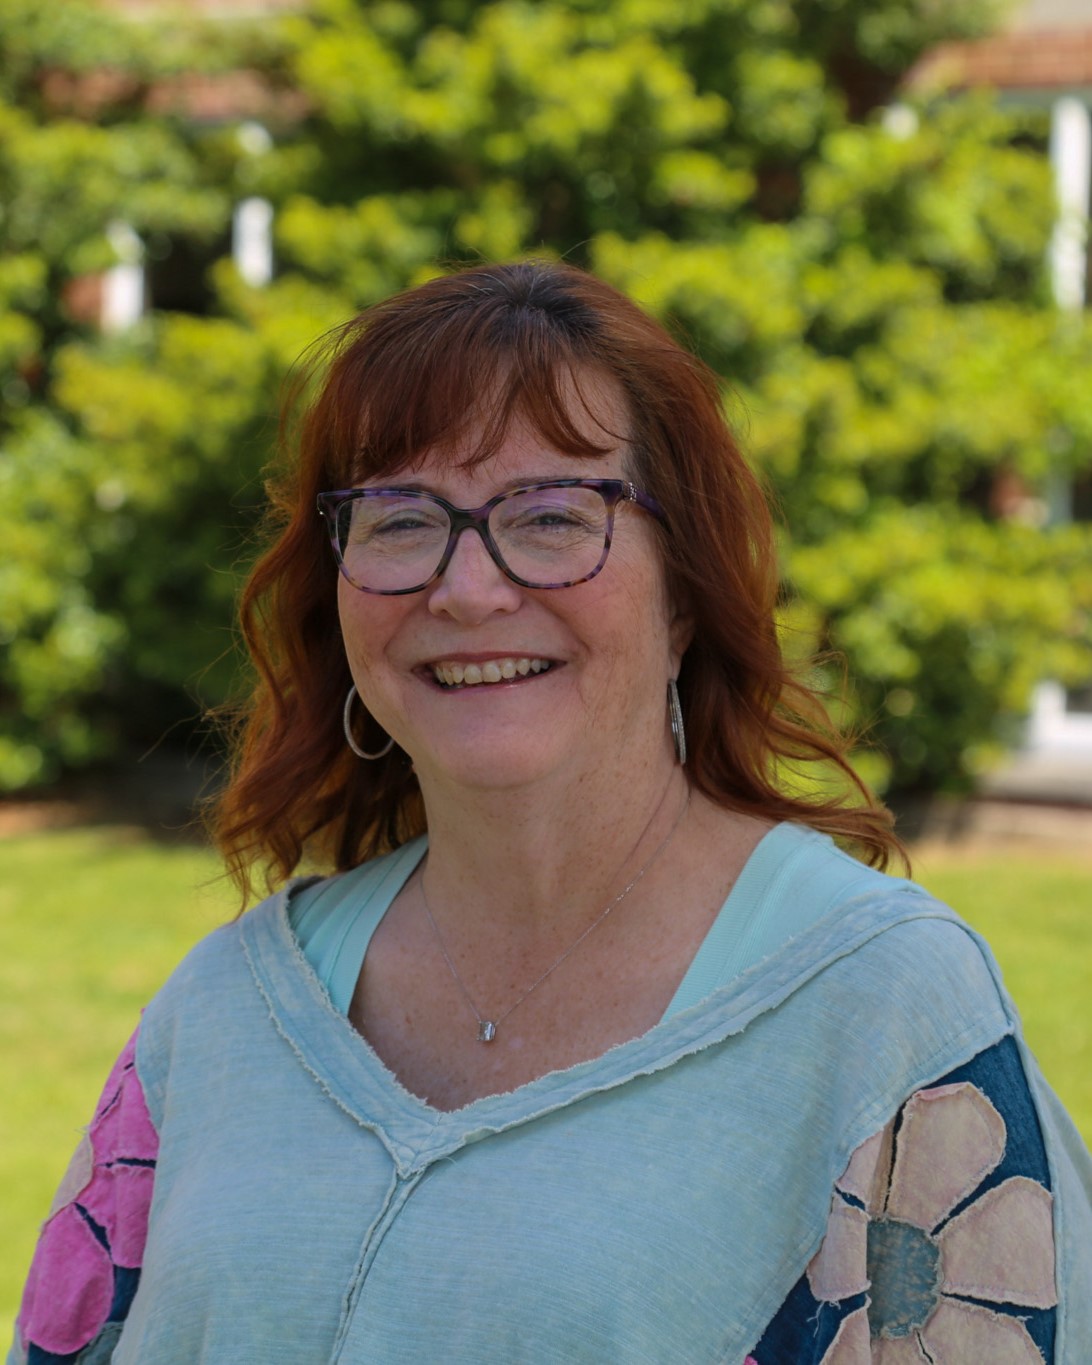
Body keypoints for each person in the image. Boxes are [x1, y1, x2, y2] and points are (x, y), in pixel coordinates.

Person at [10, 261, 1091, 1364]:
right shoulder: (224, 1013)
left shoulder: (885, 1013)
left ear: (684, 591)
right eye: (399, 519)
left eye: (550, 516)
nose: (467, 589)